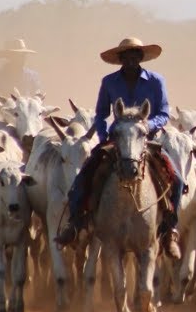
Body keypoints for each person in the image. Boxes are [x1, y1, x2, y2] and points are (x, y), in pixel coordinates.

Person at [53, 36, 182, 260]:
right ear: (120, 59)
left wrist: (145, 126)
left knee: (177, 179)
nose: (131, 60)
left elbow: (163, 113)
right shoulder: (109, 82)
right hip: (117, 139)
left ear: (141, 57)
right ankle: (75, 224)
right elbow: (101, 114)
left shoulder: (156, 81)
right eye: (126, 56)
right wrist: (104, 137)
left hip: (147, 139)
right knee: (84, 176)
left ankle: (170, 230)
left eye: (135, 55)